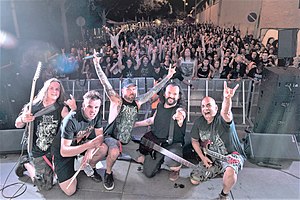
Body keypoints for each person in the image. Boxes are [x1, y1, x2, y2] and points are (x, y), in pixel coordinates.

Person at [92, 49, 176, 189]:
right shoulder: (117, 101)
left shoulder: (137, 102)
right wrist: (97, 64)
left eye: (134, 89)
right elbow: (105, 84)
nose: (132, 91)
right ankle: (108, 173)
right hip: (112, 138)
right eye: (129, 89)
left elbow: (152, 92)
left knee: (143, 160)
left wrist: (168, 78)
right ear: (123, 90)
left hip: (127, 141)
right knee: (114, 152)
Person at [51, 90, 120, 196]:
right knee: (70, 191)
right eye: (89, 107)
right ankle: (57, 168)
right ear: (83, 105)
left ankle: (89, 166)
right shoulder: (71, 120)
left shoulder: (96, 115)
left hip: (81, 145)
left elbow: (100, 136)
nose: (93, 111)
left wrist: (90, 150)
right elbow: (64, 151)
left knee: (103, 148)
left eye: (96, 107)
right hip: (64, 152)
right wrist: (88, 145)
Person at [15, 78, 76, 191]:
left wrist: (73, 110)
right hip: (37, 150)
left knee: (58, 178)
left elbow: (70, 123)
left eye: (57, 89)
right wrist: (24, 119)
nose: (54, 91)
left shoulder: (61, 108)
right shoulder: (33, 107)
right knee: (45, 186)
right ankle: (26, 163)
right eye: (51, 88)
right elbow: (17, 124)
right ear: (46, 90)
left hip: (53, 149)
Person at [189, 82, 246, 200]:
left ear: (216, 108)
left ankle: (223, 195)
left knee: (230, 171)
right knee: (194, 180)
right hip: (213, 159)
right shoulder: (199, 123)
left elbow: (226, 112)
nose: (205, 109)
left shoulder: (222, 120)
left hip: (231, 157)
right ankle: (219, 171)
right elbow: (194, 141)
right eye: (203, 106)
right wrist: (203, 158)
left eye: (209, 105)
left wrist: (227, 98)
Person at [134, 82, 187, 181]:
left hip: (172, 145)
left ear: (179, 96)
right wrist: (136, 124)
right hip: (157, 143)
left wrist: (180, 115)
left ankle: (175, 169)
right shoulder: (160, 105)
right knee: (148, 172)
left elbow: (182, 113)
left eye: (175, 94)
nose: (171, 96)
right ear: (164, 93)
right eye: (169, 93)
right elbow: (152, 120)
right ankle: (158, 160)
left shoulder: (179, 110)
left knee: (172, 160)